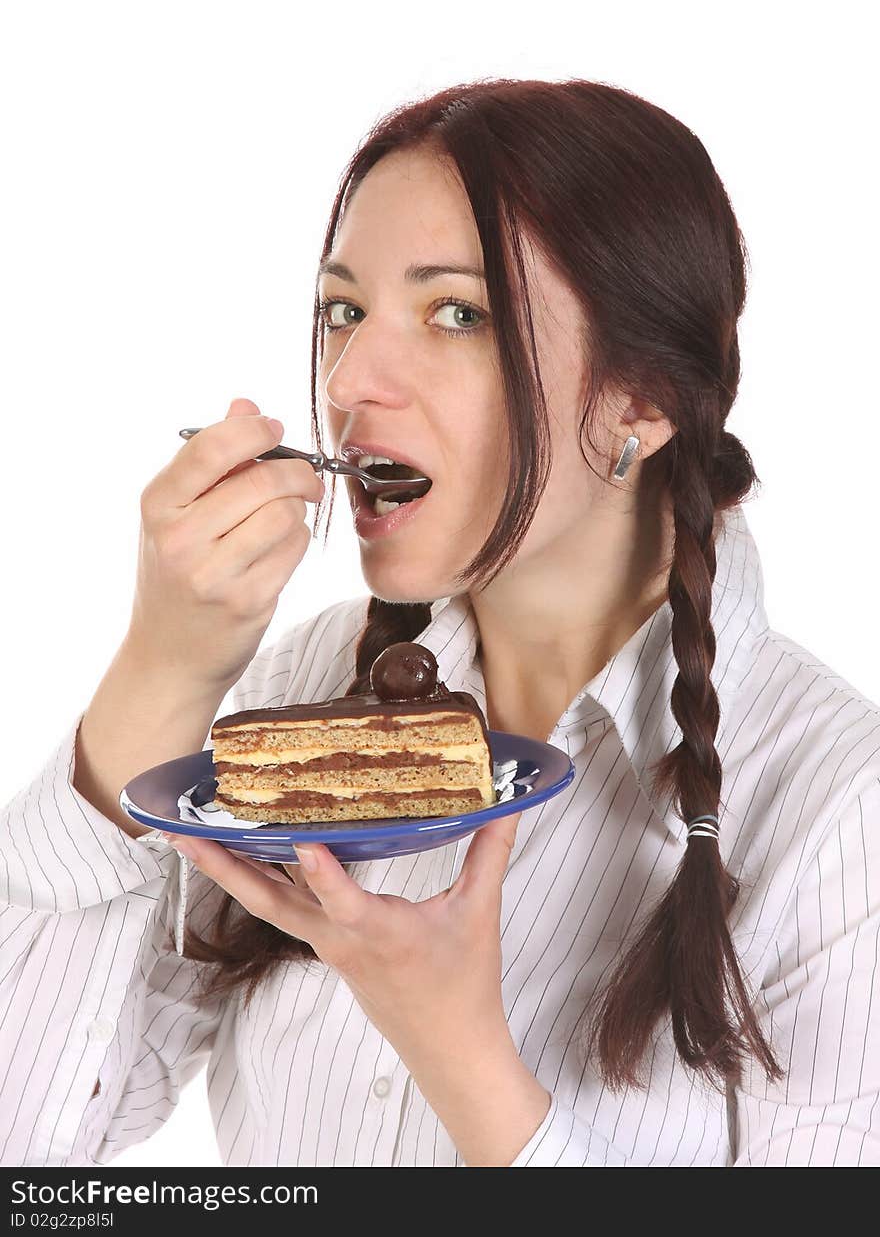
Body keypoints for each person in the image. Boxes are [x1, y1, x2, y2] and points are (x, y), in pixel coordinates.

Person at [2, 79, 878, 1168]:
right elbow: (32, 1148)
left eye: (457, 313)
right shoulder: (310, 681)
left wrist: (458, 1051)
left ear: (641, 399)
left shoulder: (841, 810)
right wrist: (165, 671)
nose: (353, 380)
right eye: (342, 310)